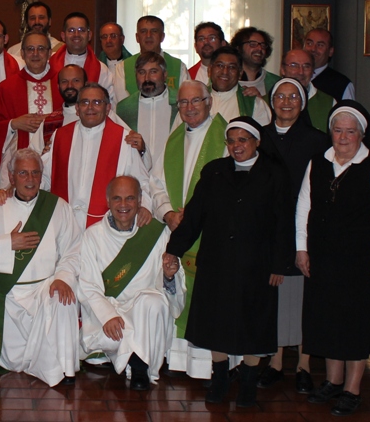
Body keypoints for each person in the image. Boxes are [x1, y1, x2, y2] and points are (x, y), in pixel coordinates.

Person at [164, 117, 291, 407]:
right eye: (231, 141)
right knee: (215, 322)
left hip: (257, 263)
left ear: (257, 142)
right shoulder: (214, 171)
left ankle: (248, 383)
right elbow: (195, 215)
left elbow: (284, 221)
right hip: (217, 260)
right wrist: (174, 249)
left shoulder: (274, 173)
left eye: (243, 140)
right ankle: (220, 378)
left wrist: (278, 264)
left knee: (254, 323)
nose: (236, 146)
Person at [295, 102, 370, 416]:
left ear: (361, 134)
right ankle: (333, 381)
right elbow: (304, 208)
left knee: (356, 324)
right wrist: (301, 249)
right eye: (338, 130)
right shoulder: (318, 162)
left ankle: (352, 390)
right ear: (331, 132)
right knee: (328, 320)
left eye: (350, 132)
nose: (343, 137)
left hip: (362, 262)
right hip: (323, 258)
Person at [0, 148, 81, 387]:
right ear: (11, 176)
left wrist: (63, 278)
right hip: (10, 294)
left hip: (45, 289)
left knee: (64, 299)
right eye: (23, 173)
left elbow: (74, 249)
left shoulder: (58, 207)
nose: (30, 179)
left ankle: (63, 368)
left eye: (35, 173)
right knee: (13, 363)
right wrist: (8, 243)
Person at [257, 78, 330, 394]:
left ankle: (303, 365)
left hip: (306, 227)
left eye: (293, 97)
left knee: (302, 298)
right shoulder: (259, 137)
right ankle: (274, 363)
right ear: (272, 102)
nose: (286, 103)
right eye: (280, 97)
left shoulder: (318, 140)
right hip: (268, 228)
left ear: (303, 103)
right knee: (274, 296)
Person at [151, 80, 228, 379]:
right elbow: (155, 184)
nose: (190, 107)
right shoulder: (173, 140)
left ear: (209, 102)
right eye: (183, 102)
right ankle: (181, 361)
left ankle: (214, 364)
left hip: (213, 235)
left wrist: (200, 217)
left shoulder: (226, 136)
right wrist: (168, 213)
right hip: (178, 232)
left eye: (196, 101)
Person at [79, 176, 184, 390]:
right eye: (117, 198)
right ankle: (133, 355)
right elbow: (88, 285)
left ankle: (139, 366)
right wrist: (108, 315)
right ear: (108, 200)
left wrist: (168, 276)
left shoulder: (157, 233)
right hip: (112, 315)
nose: (123, 205)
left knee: (153, 301)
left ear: (140, 200)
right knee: (119, 336)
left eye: (130, 198)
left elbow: (169, 285)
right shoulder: (93, 236)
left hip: (145, 315)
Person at [41, 83, 152, 232]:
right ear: (77, 108)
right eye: (85, 102)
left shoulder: (124, 139)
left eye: (97, 102)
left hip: (105, 228)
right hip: (63, 224)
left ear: (108, 108)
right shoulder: (60, 136)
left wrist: (144, 205)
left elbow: (141, 180)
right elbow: (44, 176)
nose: (90, 107)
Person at [0, 32, 63, 189]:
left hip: (56, 158)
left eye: (41, 49)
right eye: (30, 49)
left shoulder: (63, 84)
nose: (35, 54)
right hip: (16, 159)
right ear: (22, 53)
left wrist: (50, 120)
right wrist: (13, 124)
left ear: (49, 53)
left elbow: (75, 116)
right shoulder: (7, 87)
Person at [115, 52, 176, 180]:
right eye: (142, 72)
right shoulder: (124, 109)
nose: (147, 78)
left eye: (153, 72)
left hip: (170, 177)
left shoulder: (179, 104)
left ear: (165, 75)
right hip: (137, 179)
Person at [114, 15, 189, 103]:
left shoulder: (179, 67)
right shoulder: (123, 68)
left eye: (154, 31)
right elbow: (123, 105)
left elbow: (186, 99)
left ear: (162, 36)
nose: (148, 35)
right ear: (137, 37)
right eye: (143, 31)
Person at [194, 46, 271, 127]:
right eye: (220, 65)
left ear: (240, 73)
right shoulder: (195, 99)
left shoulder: (254, 104)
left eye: (231, 67)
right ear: (209, 69)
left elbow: (265, 133)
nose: (225, 72)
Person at [49, 12, 115, 102]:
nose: (76, 34)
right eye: (71, 30)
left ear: (89, 35)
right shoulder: (48, 63)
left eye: (81, 30)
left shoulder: (102, 70)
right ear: (63, 36)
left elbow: (109, 103)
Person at [279, 48, 335, 132]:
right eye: (294, 65)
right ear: (283, 70)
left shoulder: (329, 104)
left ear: (313, 71)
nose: (301, 72)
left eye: (306, 66)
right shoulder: (266, 103)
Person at [303, 29, 355, 101]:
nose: (313, 49)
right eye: (309, 43)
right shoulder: (293, 75)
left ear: (330, 51)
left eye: (320, 45)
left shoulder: (341, 85)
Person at [230, 27, 280, 97]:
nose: (259, 48)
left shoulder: (276, 83)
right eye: (252, 44)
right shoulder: (226, 79)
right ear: (238, 48)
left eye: (263, 45)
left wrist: (260, 101)